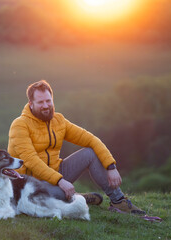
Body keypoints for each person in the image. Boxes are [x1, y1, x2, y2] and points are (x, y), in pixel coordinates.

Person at [8, 80, 145, 215]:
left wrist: (111, 166)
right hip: (28, 185)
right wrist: (60, 181)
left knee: (89, 153)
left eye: (48, 101)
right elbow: (31, 160)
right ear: (31, 104)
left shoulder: (58, 120)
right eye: (40, 102)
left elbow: (90, 139)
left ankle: (118, 201)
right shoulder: (20, 125)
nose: (46, 106)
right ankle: (76, 197)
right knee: (54, 195)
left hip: (56, 173)